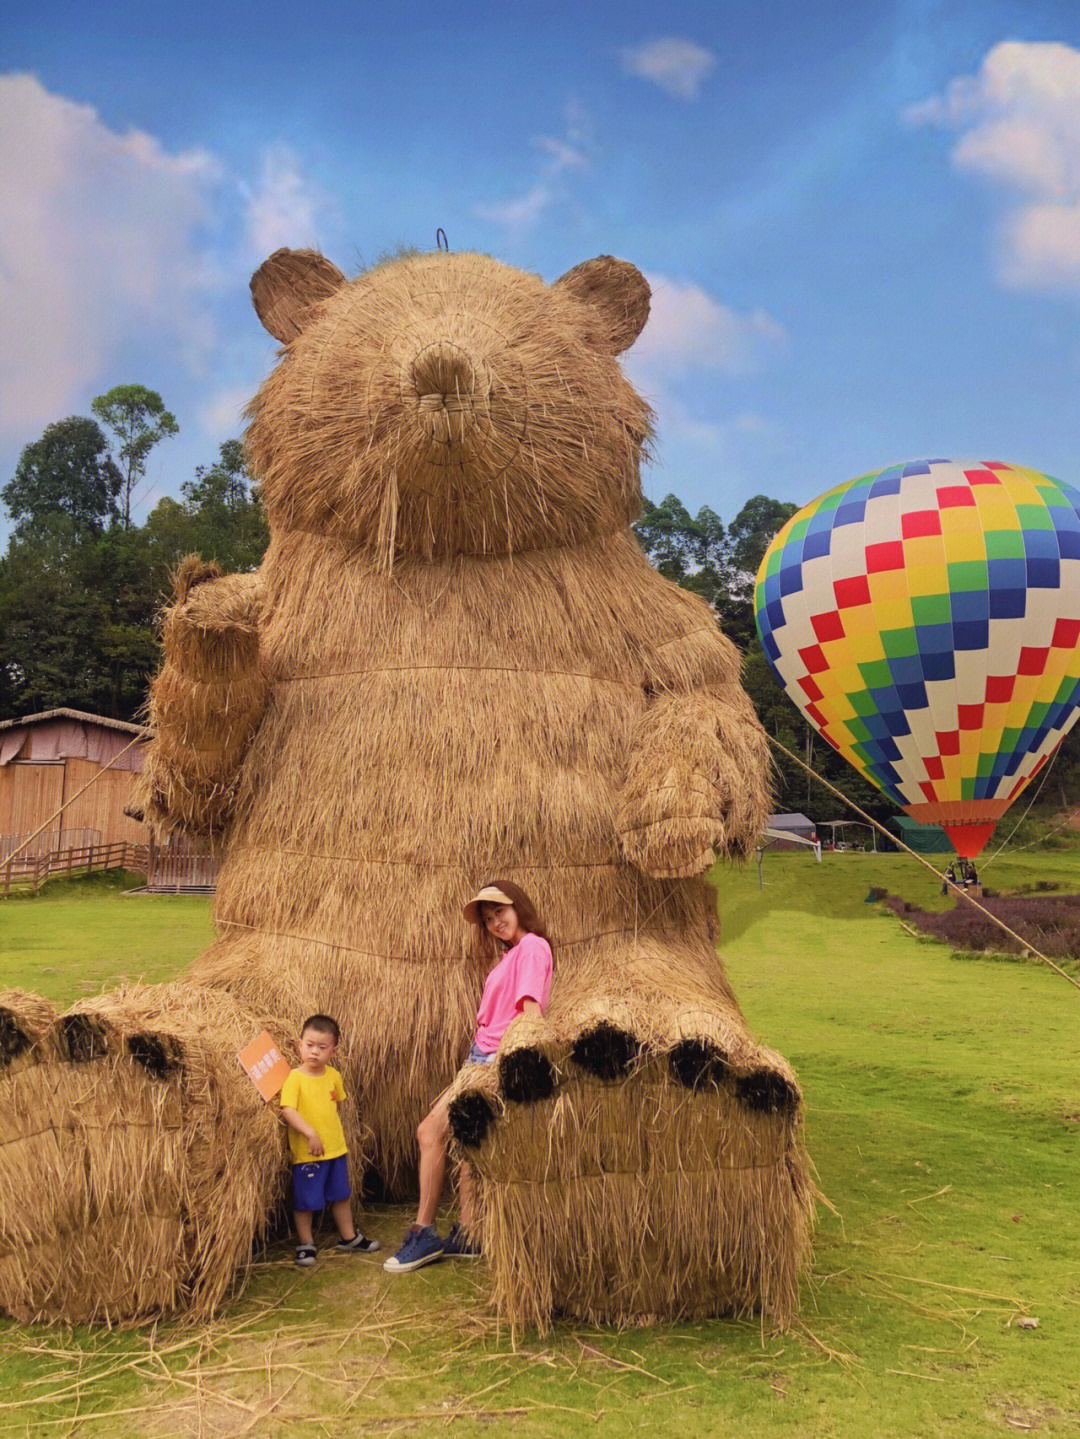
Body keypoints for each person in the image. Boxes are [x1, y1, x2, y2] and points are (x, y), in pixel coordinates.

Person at [383, 881, 554, 1274]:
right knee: (467, 1145)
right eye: (489, 919)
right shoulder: (514, 954)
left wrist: (511, 1067)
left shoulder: (531, 947)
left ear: (519, 907)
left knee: (431, 1132)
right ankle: (471, 1232)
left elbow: (530, 1012)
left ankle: (424, 1232)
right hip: (481, 1056)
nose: (496, 922)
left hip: (492, 1060)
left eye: (501, 912)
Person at [279, 1014, 380, 1266]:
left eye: (322, 1048)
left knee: (341, 1195)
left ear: (333, 1052)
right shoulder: (294, 1078)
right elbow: (287, 1110)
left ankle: (349, 1237)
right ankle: (306, 1242)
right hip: (308, 1152)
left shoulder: (333, 1075)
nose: (314, 1052)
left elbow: (335, 1106)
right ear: (299, 1044)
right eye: (309, 1045)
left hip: (335, 1149)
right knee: (305, 1200)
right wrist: (310, 1133)